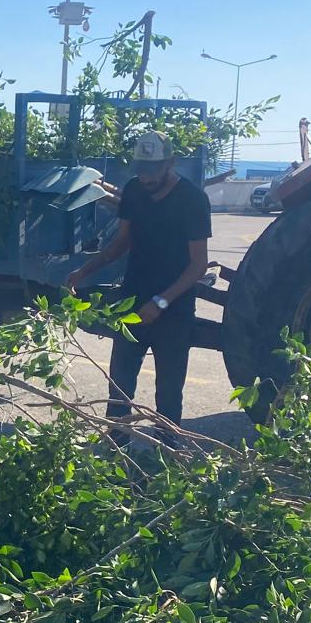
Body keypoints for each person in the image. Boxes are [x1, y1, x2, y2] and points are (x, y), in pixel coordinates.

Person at [66, 130, 211, 425]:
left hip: (174, 310)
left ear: (170, 163)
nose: (146, 179)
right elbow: (123, 241)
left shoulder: (193, 200)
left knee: (169, 392)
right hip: (132, 303)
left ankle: (168, 449)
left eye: (153, 170)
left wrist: (160, 302)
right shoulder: (134, 190)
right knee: (119, 385)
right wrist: (85, 270)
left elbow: (199, 265)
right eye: (141, 170)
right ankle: (116, 448)